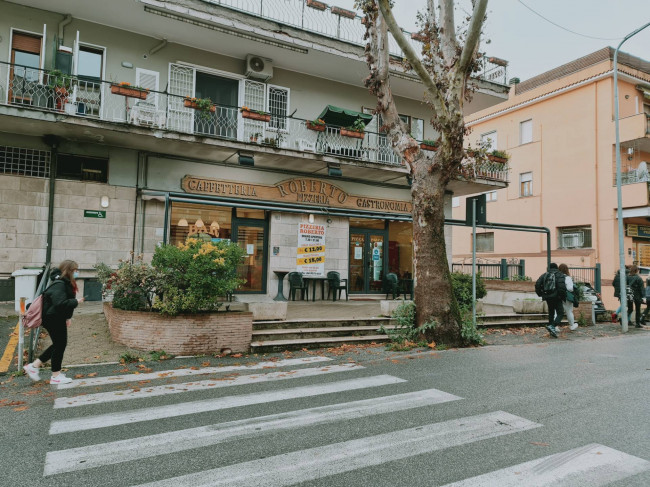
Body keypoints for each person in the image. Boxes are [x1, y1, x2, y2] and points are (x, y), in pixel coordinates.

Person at [22, 260, 85, 384]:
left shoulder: (64, 283)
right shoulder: (60, 284)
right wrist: (76, 302)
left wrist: (67, 318)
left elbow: (62, 303)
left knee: (59, 344)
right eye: (75, 270)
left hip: (56, 317)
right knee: (60, 345)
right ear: (69, 271)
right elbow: (60, 303)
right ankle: (54, 376)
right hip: (53, 318)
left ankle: (35, 366)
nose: (77, 272)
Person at [535, 263, 567, 338]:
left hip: (548, 296)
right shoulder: (560, 275)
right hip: (557, 297)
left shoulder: (544, 275)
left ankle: (551, 330)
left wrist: (541, 294)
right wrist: (561, 297)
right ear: (557, 268)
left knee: (551, 313)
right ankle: (553, 326)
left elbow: (537, 284)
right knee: (560, 313)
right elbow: (562, 287)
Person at [559, 264, 578, 331]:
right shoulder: (567, 278)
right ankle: (572, 325)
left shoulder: (557, 277)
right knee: (569, 311)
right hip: (566, 297)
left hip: (558, 296)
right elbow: (570, 288)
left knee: (557, 311)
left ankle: (555, 326)